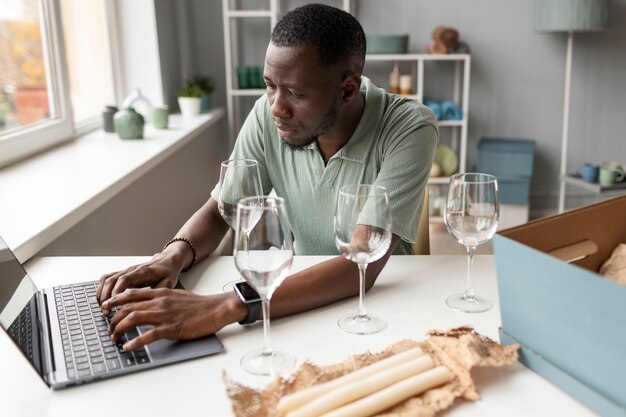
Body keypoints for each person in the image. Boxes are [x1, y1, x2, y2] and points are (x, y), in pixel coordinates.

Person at [97, 3, 438, 351]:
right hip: (296, 305)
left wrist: (226, 305)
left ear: (348, 90)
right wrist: (172, 256)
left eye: (296, 93)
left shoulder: (409, 127)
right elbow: (222, 210)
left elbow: (362, 261)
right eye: (270, 85)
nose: (277, 106)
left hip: (383, 311)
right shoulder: (269, 115)